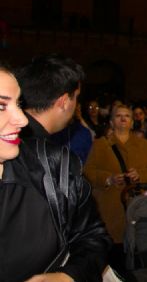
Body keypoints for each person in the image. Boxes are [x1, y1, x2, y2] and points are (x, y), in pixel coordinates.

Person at [6, 56, 111, 281]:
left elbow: (92, 238)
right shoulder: (53, 163)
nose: (20, 120)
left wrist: (66, 276)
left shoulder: (57, 164)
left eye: (15, 104)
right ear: (64, 101)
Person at [84, 104, 147, 272]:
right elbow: (88, 171)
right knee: (114, 253)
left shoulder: (144, 145)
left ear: (133, 122)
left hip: (136, 203)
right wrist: (108, 178)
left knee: (137, 248)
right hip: (110, 205)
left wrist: (139, 174)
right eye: (118, 116)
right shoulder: (100, 145)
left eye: (127, 116)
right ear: (111, 122)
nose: (123, 118)